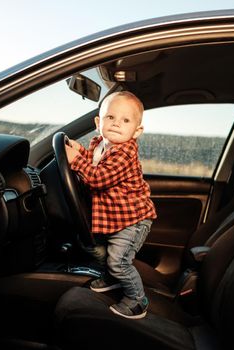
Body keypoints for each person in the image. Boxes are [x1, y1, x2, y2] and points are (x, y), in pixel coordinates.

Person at [65, 91, 157, 319]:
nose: (116, 124)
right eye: (110, 117)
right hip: (114, 219)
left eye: (125, 121)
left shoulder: (125, 153)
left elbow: (98, 178)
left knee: (119, 261)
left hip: (132, 222)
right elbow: (93, 162)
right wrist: (79, 152)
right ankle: (112, 279)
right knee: (91, 245)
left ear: (137, 131)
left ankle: (137, 300)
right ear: (99, 122)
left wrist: (74, 160)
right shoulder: (100, 144)